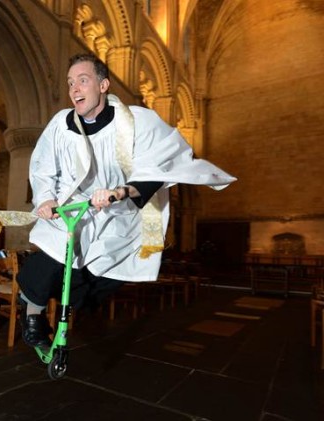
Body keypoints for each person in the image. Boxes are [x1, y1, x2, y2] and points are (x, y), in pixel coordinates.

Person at [16, 53, 237, 347]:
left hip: (118, 213)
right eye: (70, 83)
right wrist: (45, 199)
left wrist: (118, 192)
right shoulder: (61, 124)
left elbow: (159, 165)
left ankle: (70, 301)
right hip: (72, 208)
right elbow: (43, 166)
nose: (74, 90)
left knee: (103, 271)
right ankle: (32, 315)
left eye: (83, 80)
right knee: (54, 250)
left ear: (104, 85)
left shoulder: (137, 121)